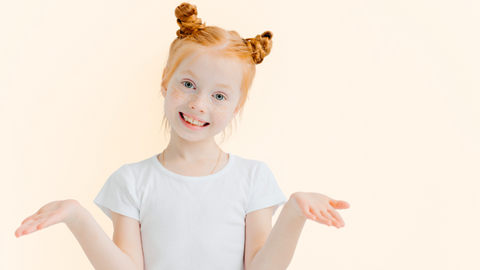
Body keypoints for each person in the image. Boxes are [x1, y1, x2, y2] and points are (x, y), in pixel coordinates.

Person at [14, 2, 350, 270]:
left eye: (219, 96)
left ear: (237, 106)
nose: (198, 105)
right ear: (165, 80)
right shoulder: (131, 181)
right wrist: (77, 216)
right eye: (188, 85)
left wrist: (293, 212)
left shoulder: (253, 178)